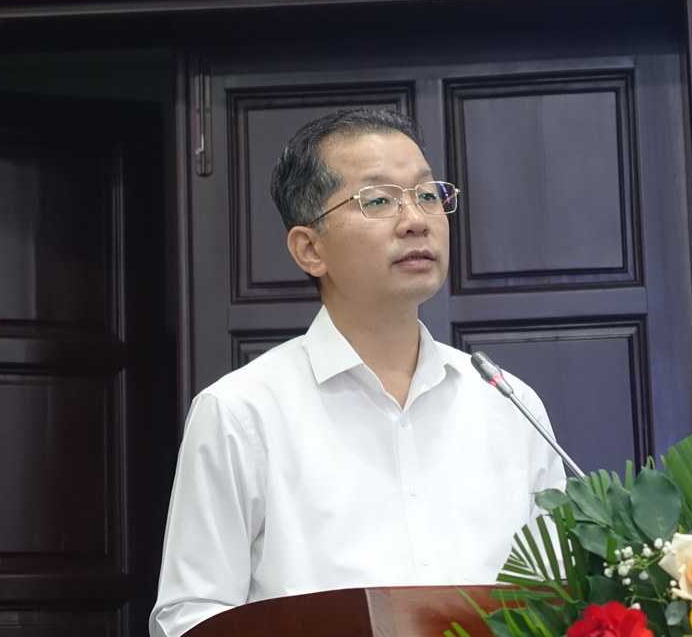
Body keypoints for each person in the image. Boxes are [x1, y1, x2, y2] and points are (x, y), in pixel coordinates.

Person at [149, 109, 567, 637]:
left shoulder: (507, 403)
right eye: (378, 200)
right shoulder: (241, 411)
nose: (415, 219)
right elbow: (191, 616)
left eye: (427, 195)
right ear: (310, 248)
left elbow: (561, 597)